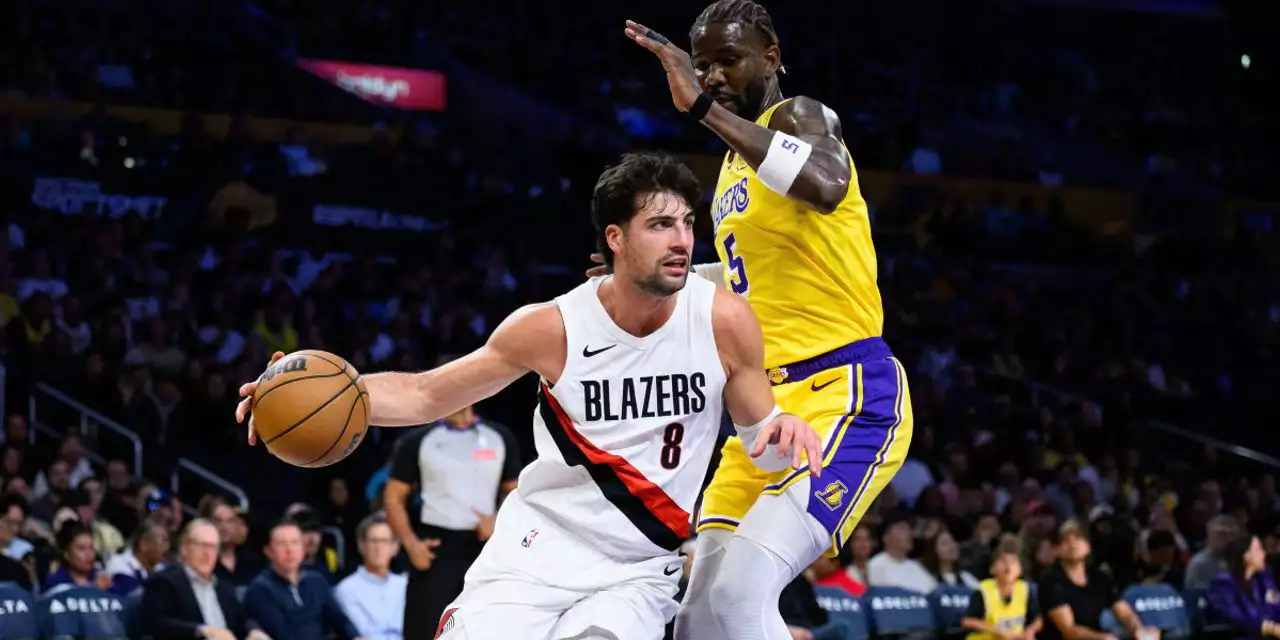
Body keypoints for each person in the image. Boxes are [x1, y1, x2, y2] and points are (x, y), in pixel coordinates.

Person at [237, 152, 824, 639]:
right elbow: (423, 396)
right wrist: (306, 392)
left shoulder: (723, 319)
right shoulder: (552, 327)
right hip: (536, 548)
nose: (682, 240)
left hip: (637, 566)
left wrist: (782, 434)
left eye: (688, 224)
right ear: (615, 238)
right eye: (660, 225)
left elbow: (764, 446)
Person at [613, 2, 914, 637]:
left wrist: (702, 110)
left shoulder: (798, 116)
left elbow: (827, 183)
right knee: (697, 616)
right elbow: (745, 282)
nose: (713, 76)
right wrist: (646, 282)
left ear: (771, 58)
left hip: (845, 393)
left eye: (729, 60)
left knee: (742, 599)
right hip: (766, 412)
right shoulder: (730, 170)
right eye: (702, 66)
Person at [383, 371, 521, 638]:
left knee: (489, 630)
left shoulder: (500, 437)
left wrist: (498, 521)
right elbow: (393, 497)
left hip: (485, 550)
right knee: (425, 630)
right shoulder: (418, 441)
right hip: (435, 551)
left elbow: (517, 493)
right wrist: (411, 545)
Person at [139, 519, 263, 640]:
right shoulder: (164, 581)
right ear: (184, 548)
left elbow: (243, 620)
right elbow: (158, 624)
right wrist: (201, 630)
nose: (207, 553)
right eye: (202, 545)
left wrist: (253, 630)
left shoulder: (224, 588)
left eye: (213, 547)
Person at [1039, 521, 1160, 640]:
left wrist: (1138, 630)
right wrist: (1101, 638)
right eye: (1066, 541)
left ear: (1088, 545)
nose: (1073, 544)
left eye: (1078, 538)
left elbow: (1124, 613)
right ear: (1056, 549)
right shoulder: (1051, 581)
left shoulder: (1100, 577)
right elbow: (1069, 629)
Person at [242, 521, 360, 640]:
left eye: (295, 543)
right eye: (281, 544)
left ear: (303, 549)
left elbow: (341, 622)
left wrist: (356, 637)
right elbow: (281, 634)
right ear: (268, 551)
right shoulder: (260, 589)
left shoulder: (316, 581)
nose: (289, 550)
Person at [335, 513, 407, 640]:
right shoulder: (347, 590)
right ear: (361, 546)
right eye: (373, 541)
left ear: (395, 547)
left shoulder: (405, 585)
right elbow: (361, 634)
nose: (379, 548)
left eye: (385, 541)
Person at [962, 537, 1043, 640]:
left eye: (1013, 562)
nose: (1008, 566)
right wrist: (998, 630)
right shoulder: (984, 591)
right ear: (992, 568)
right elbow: (967, 621)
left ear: (1020, 569)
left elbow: (1039, 618)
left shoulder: (1025, 590)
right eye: (1003, 561)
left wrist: (1030, 631)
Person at [1206, 535, 1280, 638]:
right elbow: (1237, 619)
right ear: (1246, 555)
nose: (1264, 554)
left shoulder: (1265, 579)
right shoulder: (1222, 584)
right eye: (1259, 549)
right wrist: (1270, 628)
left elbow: (1276, 608)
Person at [867, 517, 936, 594]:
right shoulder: (876, 565)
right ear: (886, 537)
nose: (909, 534)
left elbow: (934, 592)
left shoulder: (916, 566)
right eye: (902, 530)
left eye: (909, 530)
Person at [104, 516, 170, 597]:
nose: (167, 547)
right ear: (143, 545)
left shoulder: (162, 566)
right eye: (162, 542)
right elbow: (131, 601)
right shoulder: (119, 566)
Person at [1187, 515, 1241, 590]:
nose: (1225, 539)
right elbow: (1196, 595)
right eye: (1221, 534)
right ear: (1210, 535)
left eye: (1231, 534)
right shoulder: (1200, 564)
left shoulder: (1239, 561)